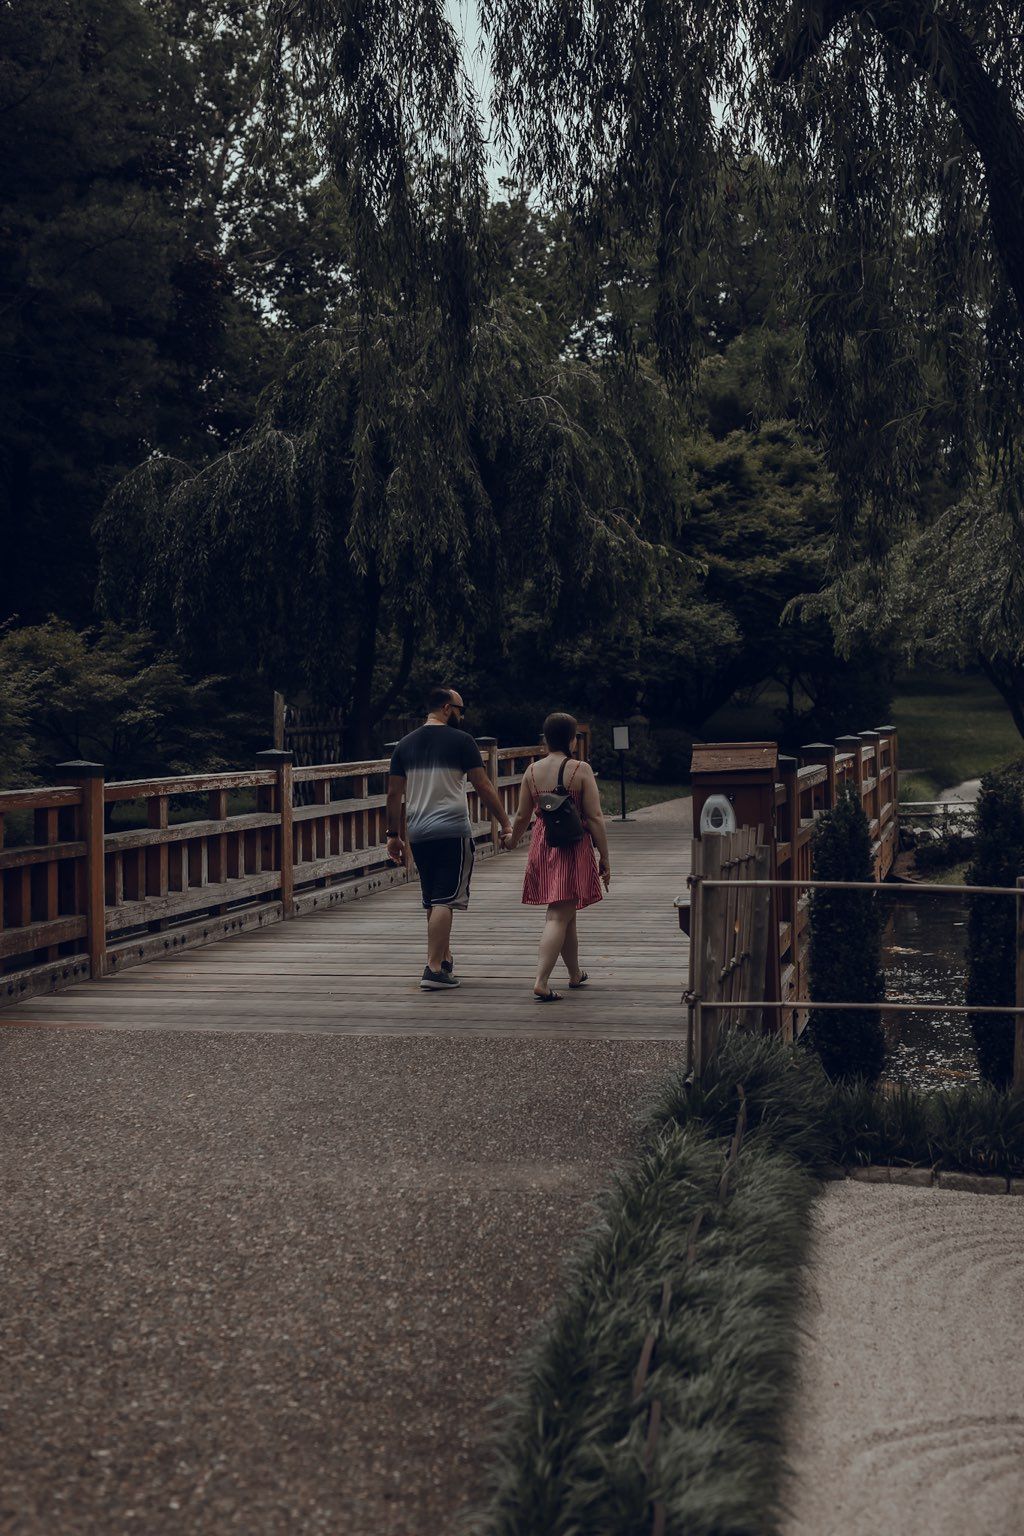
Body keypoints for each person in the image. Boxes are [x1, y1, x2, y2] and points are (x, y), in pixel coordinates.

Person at [386, 686, 512, 990]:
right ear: (446, 708)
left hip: (418, 832)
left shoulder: (404, 745)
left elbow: (393, 794)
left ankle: (443, 957)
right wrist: (506, 822)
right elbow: (483, 786)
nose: (462, 716)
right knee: (447, 898)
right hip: (452, 831)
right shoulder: (462, 742)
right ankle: (433, 970)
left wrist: (393, 835)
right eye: (460, 709)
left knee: (433, 899)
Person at [506, 712, 611, 1001]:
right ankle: (541, 980)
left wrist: (512, 840)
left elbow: (522, 815)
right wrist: (604, 856)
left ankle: (574, 973)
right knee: (557, 915)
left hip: (544, 843)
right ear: (570, 739)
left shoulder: (532, 771)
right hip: (571, 845)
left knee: (567, 912)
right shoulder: (581, 769)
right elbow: (595, 816)